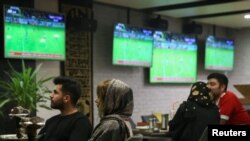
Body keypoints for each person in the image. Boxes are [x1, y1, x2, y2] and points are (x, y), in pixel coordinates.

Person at [37, 76, 92, 141]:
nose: (51, 95)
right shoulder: (50, 121)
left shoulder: (81, 122)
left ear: (66, 98)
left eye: (55, 92)